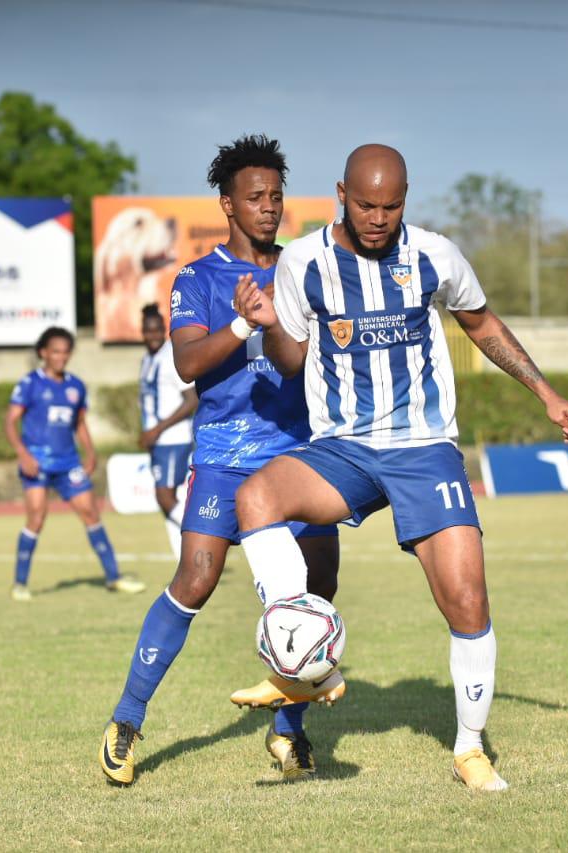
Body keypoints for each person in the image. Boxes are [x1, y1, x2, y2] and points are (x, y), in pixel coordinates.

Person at [231, 144, 568, 791]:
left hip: (424, 447)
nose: (377, 217)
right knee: (256, 496)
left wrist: (547, 392)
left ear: (406, 199)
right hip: (341, 446)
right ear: (341, 193)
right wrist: (265, 325)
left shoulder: (433, 254)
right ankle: (300, 659)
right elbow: (288, 358)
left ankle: (471, 748)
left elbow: (481, 323)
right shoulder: (303, 263)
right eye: (366, 204)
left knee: (468, 596)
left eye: (390, 206)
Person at [100, 135, 342, 788]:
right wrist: (241, 325)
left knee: (318, 589)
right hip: (225, 459)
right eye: (256, 197)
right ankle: (127, 717)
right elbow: (185, 363)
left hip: (299, 462)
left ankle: (289, 732)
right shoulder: (197, 279)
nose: (269, 207)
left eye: (276, 196)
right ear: (227, 204)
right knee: (196, 580)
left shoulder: (303, 270)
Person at [4, 327, 145, 600]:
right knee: (36, 517)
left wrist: (90, 453)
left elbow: (79, 424)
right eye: (55, 351)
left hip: (68, 463)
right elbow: (10, 422)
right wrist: (23, 454)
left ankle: (113, 577)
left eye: (66, 351)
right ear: (43, 353)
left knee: (91, 513)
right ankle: (20, 584)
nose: (61, 356)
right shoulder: (29, 384)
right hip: (37, 462)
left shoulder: (75, 386)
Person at [137, 304, 198, 562]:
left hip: (173, 438)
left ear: (164, 330)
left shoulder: (170, 357)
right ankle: (184, 562)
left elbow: (191, 400)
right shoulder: (147, 360)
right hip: (158, 441)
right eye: (147, 330)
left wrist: (157, 430)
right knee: (168, 501)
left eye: (156, 330)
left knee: (164, 498)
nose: (151, 335)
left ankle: (205, 536)